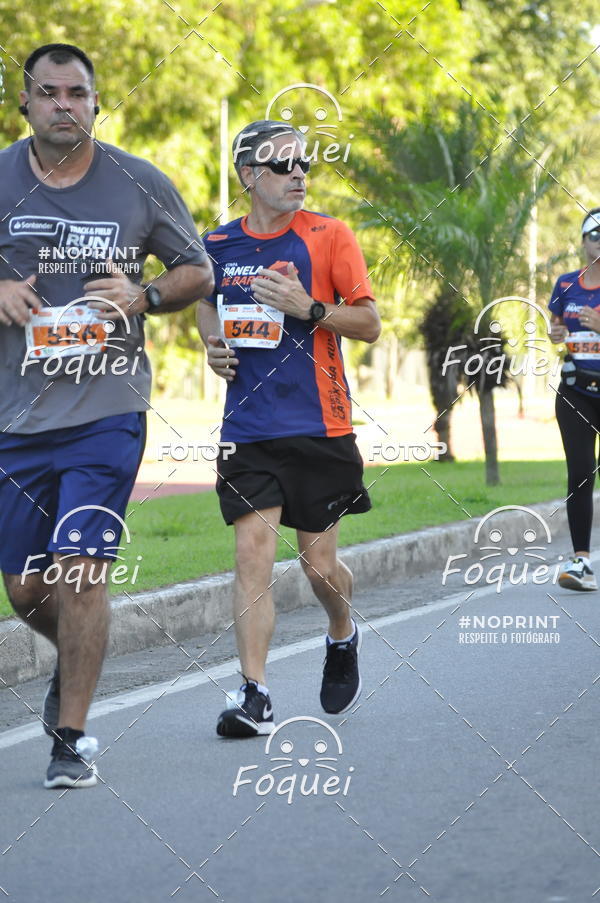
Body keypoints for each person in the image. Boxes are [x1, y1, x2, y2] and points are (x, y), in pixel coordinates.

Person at [0, 43, 214, 786]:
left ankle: (71, 735)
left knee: (81, 573)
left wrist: (143, 296)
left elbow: (196, 269)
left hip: (108, 410)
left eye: (78, 93)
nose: (65, 104)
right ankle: (77, 657)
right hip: (17, 419)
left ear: (96, 102)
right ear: (24, 102)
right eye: (49, 92)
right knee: (27, 588)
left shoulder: (137, 182)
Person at [196, 119, 381, 738]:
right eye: (282, 166)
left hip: (320, 426)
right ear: (248, 175)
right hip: (247, 428)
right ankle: (255, 694)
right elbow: (203, 298)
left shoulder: (330, 236)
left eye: (303, 164)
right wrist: (212, 343)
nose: (299, 174)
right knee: (252, 554)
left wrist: (310, 309)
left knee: (319, 564)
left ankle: (341, 631)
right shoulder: (217, 243)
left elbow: (369, 323)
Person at [550, 207, 600, 591]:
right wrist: (555, 332)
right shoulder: (566, 284)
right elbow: (555, 327)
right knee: (580, 474)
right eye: (594, 234)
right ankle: (581, 561)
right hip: (575, 391)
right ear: (583, 242)